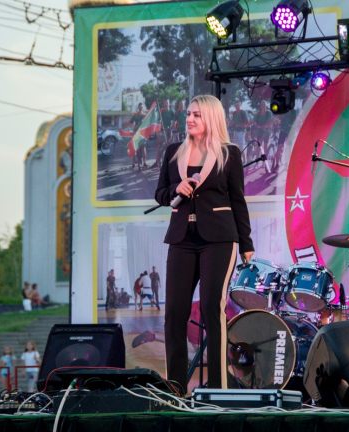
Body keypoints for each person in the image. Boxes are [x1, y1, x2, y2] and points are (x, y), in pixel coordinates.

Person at [155, 94, 254, 393]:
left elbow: (238, 200)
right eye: (188, 114)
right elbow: (160, 194)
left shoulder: (228, 153)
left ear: (210, 117)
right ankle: (175, 389)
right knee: (174, 312)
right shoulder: (173, 152)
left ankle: (219, 389)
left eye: (196, 115)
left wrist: (246, 243)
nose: (189, 119)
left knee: (212, 307)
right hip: (181, 238)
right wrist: (176, 187)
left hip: (220, 239)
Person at [129, 103, 147, 169]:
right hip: (136, 133)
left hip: (142, 134)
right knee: (134, 148)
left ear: (142, 108)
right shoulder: (135, 115)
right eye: (139, 107)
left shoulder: (145, 116)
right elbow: (130, 122)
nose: (140, 109)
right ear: (138, 108)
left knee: (143, 147)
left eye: (141, 107)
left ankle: (145, 162)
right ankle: (133, 163)